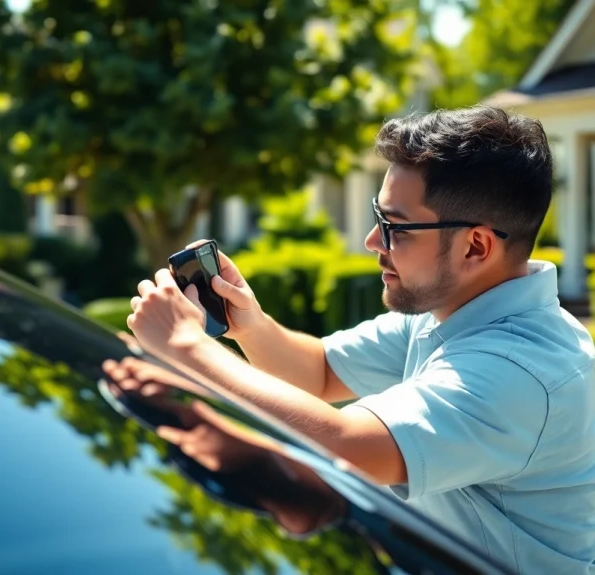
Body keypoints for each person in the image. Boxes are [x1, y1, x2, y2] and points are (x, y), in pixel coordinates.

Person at [125, 106, 595, 574]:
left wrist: (186, 347)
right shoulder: (452, 312)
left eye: (394, 227)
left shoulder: (521, 372)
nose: (372, 241)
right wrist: (250, 323)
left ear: (476, 246)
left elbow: (346, 448)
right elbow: (320, 372)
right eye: (377, 216)